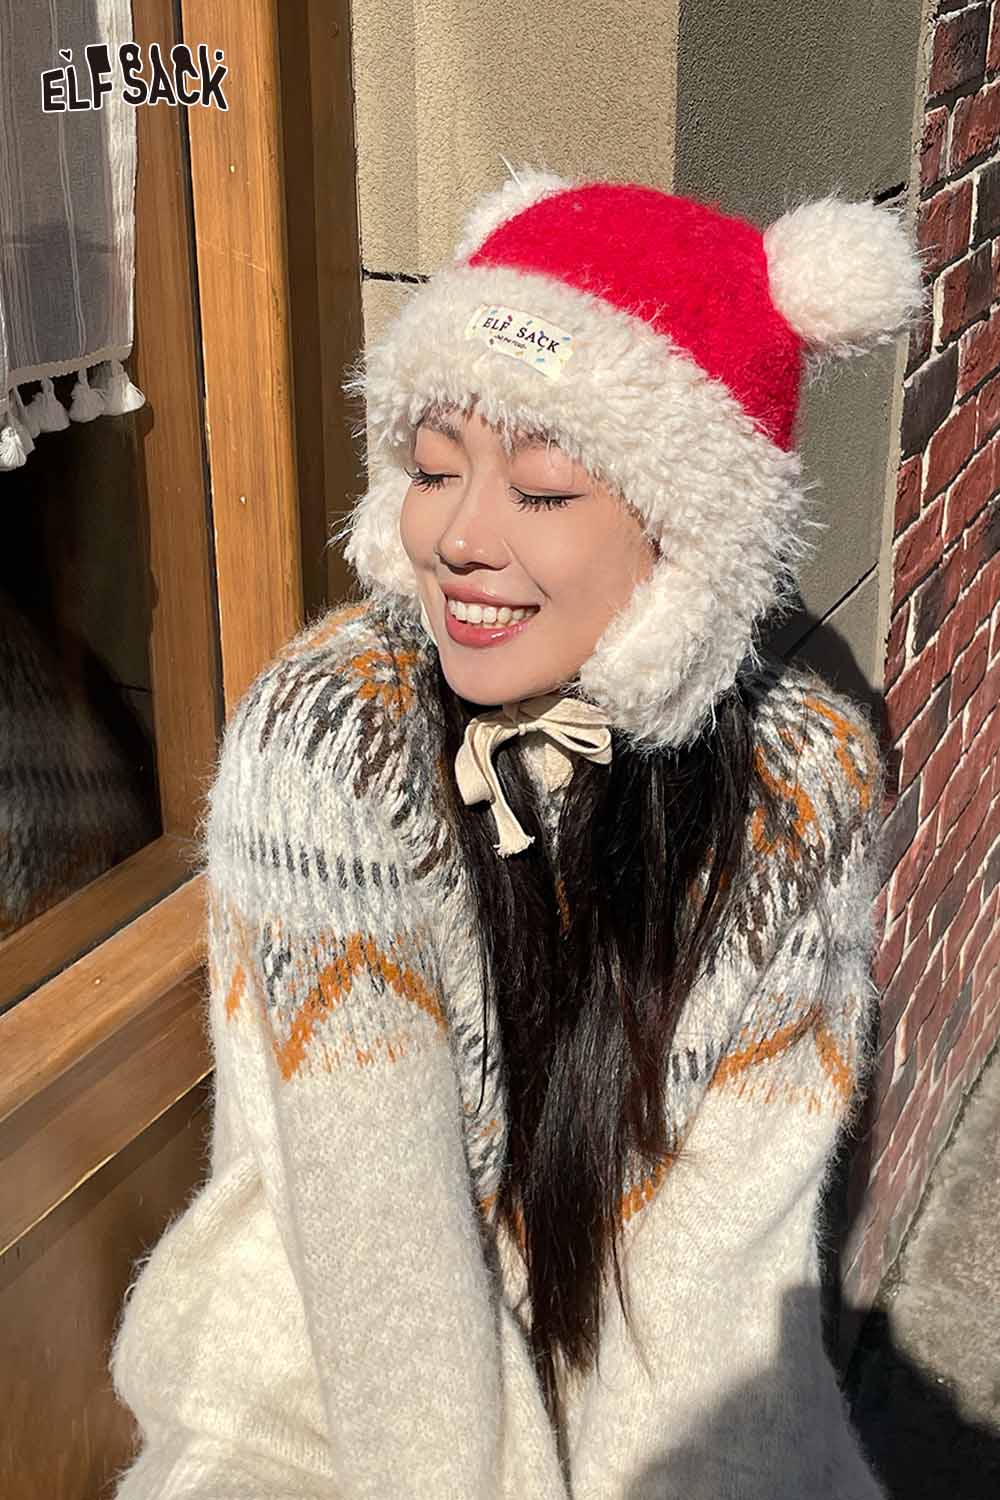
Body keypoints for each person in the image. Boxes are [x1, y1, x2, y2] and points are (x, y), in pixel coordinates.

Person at [108, 167, 926, 1499]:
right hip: (316, 1396)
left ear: (685, 540)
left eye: (540, 489)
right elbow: (384, 1284)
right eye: (433, 469)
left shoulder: (804, 791)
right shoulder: (330, 743)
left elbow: (720, 1287)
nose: (461, 536)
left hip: (633, 1389)